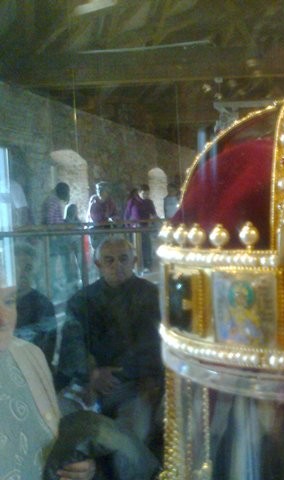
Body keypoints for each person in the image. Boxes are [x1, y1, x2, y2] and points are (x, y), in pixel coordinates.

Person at [65, 237, 163, 449]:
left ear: (134, 261)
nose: (116, 265)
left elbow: (153, 347)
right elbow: (72, 345)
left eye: (123, 259)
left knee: (129, 439)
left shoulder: (153, 296)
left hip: (138, 384)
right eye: (109, 260)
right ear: (98, 264)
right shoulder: (80, 301)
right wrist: (91, 373)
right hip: (89, 383)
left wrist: (130, 378)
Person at [0, 264, 96, 479]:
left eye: (8, 301)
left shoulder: (30, 355)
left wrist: (76, 469)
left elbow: (53, 445)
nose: (3, 319)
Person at [123, 184, 157, 271]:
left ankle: (147, 266)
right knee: (134, 248)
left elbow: (153, 214)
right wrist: (127, 228)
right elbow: (127, 215)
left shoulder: (149, 202)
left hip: (145, 228)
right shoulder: (132, 201)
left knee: (146, 246)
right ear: (139, 192)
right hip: (134, 229)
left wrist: (155, 220)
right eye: (144, 193)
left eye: (147, 194)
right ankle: (135, 266)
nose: (146, 195)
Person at [86, 181, 118, 248]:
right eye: (98, 190)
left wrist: (113, 218)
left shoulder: (110, 202)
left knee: (107, 248)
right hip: (95, 229)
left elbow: (115, 214)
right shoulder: (93, 200)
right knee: (97, 249)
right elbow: (93, 215)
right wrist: (105, 217)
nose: (99, 192)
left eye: (102, 190)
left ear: (107, 191)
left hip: (106, 229)